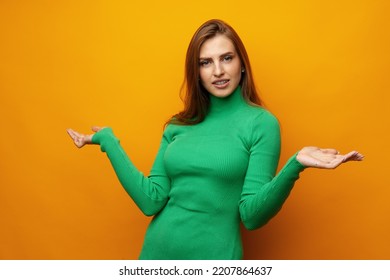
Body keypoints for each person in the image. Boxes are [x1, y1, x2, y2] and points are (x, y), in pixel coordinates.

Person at [66, 19, 363, 260]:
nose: (218, 71)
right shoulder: (177, 125)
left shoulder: (261, 124)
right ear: (196, 72)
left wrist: (295, 166)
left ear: (241, 63)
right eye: (205, 62)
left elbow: (252, 216)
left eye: (226, 58)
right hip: (157, 255)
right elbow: (150, 200)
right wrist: (108, 141)